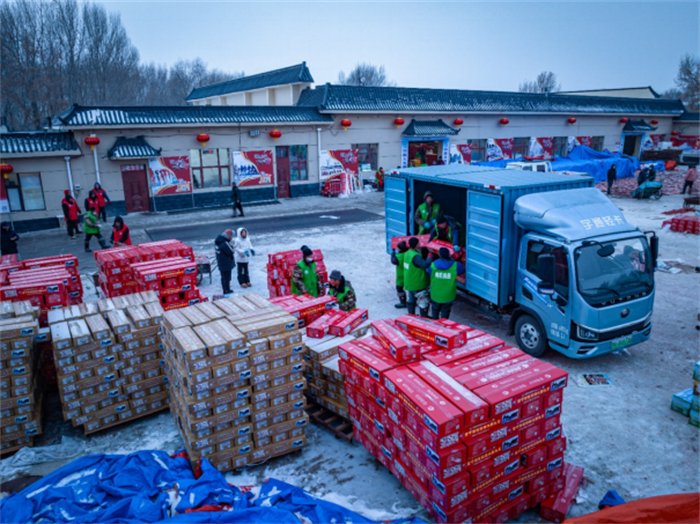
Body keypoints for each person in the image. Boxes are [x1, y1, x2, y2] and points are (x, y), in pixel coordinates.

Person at [427, 247, 465, 319]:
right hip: (448, 294)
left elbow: (429, 272)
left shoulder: (433, 265)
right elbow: (461, 271)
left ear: (439, 255)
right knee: (445, 312)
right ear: (448, 255)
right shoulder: (455, 265)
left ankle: (434, 325)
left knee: (435, 310)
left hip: (436, 294)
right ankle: (444, 326)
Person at [403, 237, 432, 317]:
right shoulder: (415, 256)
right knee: (423, 301)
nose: (419, 244)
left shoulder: (407, 253)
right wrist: (430, 257)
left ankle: (411, 316)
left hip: (410, 282)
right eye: (418, 243)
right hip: (418, 283)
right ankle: (424, 318)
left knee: (411, 300)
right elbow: (425, 264)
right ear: (416, 245)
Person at [215, 229, 235, 295]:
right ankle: (227, 291)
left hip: (221, 263)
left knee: (223, 278)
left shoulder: (218, 242)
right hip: (226, 263)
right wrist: (233, 248)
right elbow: (230, 252)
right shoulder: (224, 243)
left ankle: (225, 290)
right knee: (227, 278)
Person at [390, 241, 409, 309]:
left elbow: (393, 261)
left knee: (399, 289)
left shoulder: (398, 257)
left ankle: (403, 302)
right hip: (409, 275)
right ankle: (412, 301)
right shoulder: (408, 254)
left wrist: (393, 252)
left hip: (401, 276)